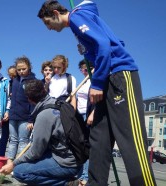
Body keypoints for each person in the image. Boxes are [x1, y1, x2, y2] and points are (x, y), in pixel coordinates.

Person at [38, 1, 156, 185]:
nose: (48, 29)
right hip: (106, 80)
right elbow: (112, 41)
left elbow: (104, 44)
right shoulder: (80, 22)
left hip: (119, 77)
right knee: (99, 140)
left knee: (131, 140)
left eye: (47, 23)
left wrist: (98, 82)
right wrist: (88, 51)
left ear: (55, 13)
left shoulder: (77, 17)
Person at [0, 79, 81, 186]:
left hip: (67, 163)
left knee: (20, 171)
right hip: (76, 158)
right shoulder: (58, 103)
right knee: (30, 163)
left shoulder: (44, 115)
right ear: (44, 90)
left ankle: (68, 183)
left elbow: (35, 152)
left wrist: (13, 164)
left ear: (29, 99)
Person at [6, 56, 36, 164]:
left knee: (23, 140)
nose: (21, 71)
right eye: (19, 69)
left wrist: (31, 119)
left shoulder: (33, 81)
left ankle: (19, 163)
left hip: (25, 118)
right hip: (13, 115)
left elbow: (33, 103)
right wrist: (8, 112)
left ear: (29, 68)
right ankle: (9, 162)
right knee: (13, 140)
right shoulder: (14, 81)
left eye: (24, 69)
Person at [75, 60, 94, 186]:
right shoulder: (83, 82)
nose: (84, 70)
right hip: (79, 115)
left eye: (87, 68)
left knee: (87, 146)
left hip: (88, 115)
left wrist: (92, 115)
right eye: (82, 69)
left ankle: (85, 176)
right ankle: (78, 175)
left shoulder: (94, 81)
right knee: (79, 146)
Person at [0, 65, 17, 157]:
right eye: (10, 75)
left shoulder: (20, 83)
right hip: (6, 113)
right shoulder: (7, 83)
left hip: (16, 114)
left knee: (14, 138)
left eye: (14, 74)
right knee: (4, 137)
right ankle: (0, 156)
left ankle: (12, 159)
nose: (12, 76)